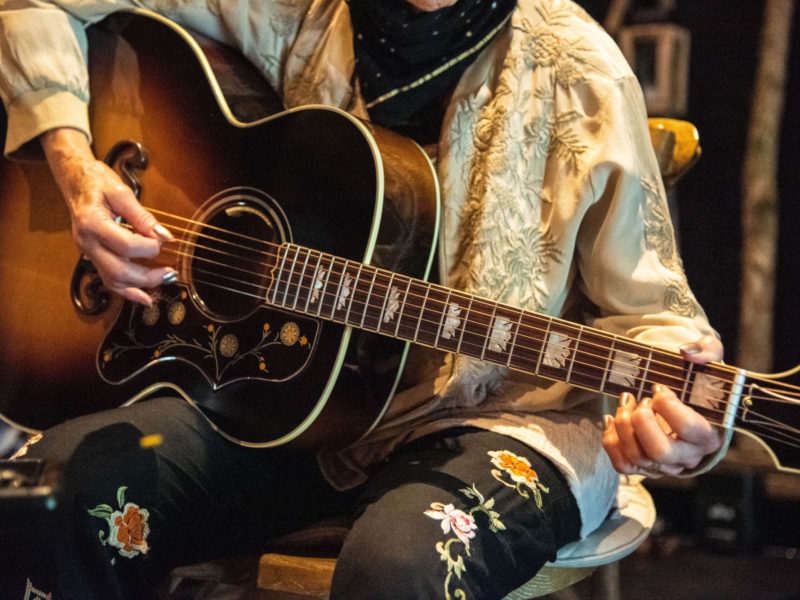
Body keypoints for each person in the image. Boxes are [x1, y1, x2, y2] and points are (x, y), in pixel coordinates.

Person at [0, 0, 727, 598]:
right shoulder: (306, 14)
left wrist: (677, 420)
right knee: (57, 490)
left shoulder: (581, 69)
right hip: (300, 403)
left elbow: (657, 321)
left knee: (402, 567)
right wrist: (75, 164)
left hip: (506, 420)